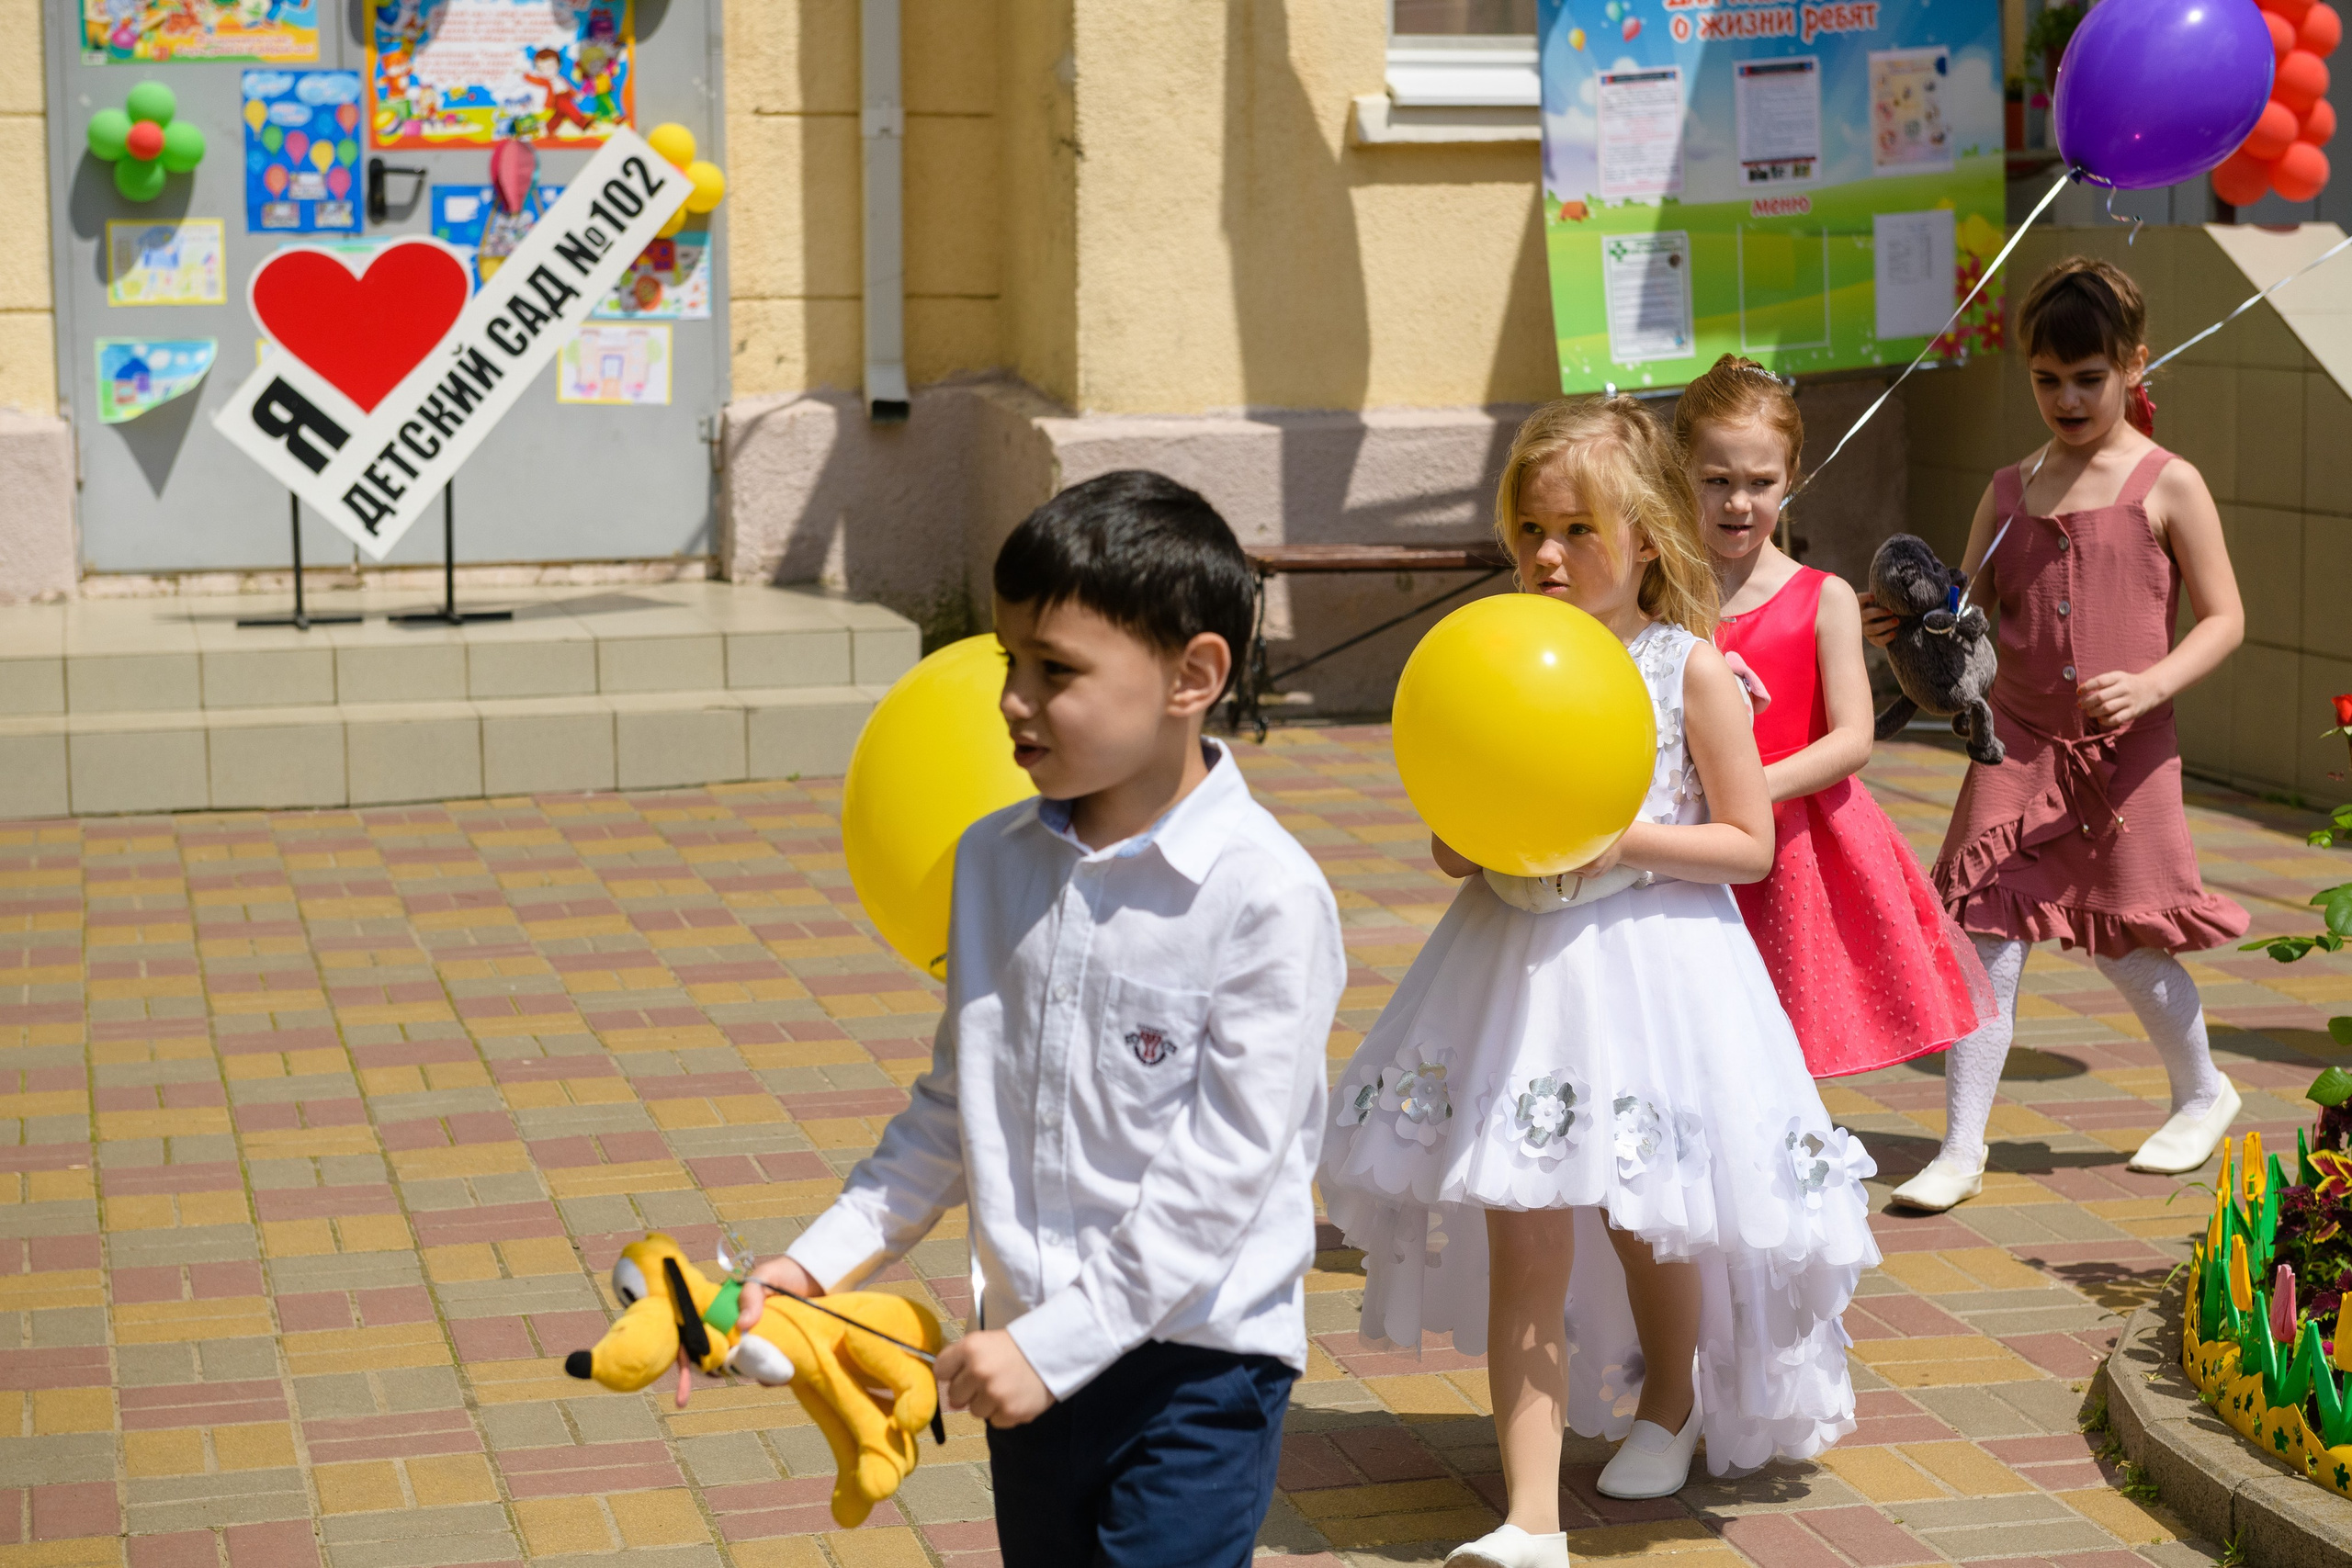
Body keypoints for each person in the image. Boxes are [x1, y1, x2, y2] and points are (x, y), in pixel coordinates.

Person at [733, 470, 1348, 1568]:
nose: (1012, 699)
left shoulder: (1267, 895)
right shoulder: (991, 863)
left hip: (1199, 1364)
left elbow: (1227, 1168)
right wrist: (817, 1264)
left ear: (1192, 676)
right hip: (1023, 1349)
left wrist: (1057, 1346)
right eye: (1007, 660)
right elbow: (952, 1106)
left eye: (1053, 669)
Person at [1321, 399, 1876, 1568]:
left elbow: (1747, 842)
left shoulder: (1687, 670)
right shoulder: (1500, 656)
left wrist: (1616, 836)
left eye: (1579, 528)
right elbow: (1454, 844)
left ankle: (1669, 1404)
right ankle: (1530, 1518)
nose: (1548, 554)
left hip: (1648, 968)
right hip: (1518, 977)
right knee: (1524, 1236)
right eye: (1531, 528)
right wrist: (1481, 819)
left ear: (1648, 538)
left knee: (1646, 1221)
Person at [1864, 258, 2249, 1213]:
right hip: (2019, 747)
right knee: (1983, 937)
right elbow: (1962, 620)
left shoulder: (2171, 484)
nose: (2067, 398)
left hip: (2126, 759)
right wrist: (1908, 634)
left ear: (2134, 366)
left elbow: (2226, 618)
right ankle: (1961, 1148)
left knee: (2123, 943)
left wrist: (2153, 683)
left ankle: (2203, 1090)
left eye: (2088, 377)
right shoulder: (2008, 491)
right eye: (2046, 379)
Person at [1679, 354, 1995, 1077]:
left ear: (1791, 478)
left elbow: (1853, 739)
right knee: (1696, 1034)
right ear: (1681, 472)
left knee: (1783, 1042)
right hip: (1691, 836)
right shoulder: (1663, 595)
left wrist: (1750, 786)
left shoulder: (1823, 597)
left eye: (1760, 483)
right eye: (1717, 480)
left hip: (1796, 846)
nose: (1738, 502)